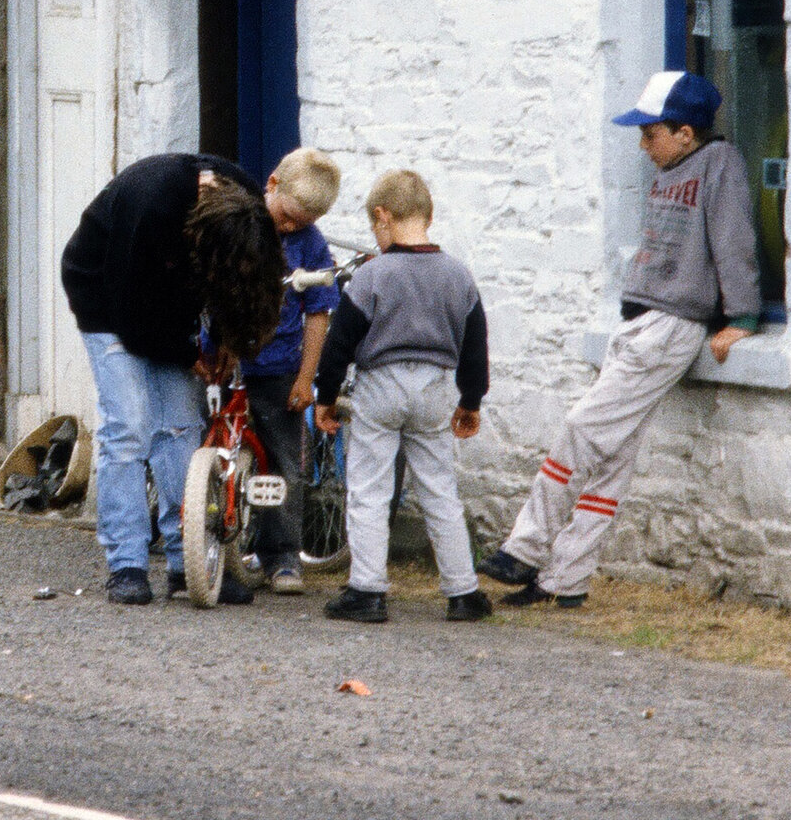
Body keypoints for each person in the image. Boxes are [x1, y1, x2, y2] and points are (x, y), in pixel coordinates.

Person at [478, 71, 761, 609]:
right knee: (612, 461)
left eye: (650, 133)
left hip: (669, 325)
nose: (643, 145)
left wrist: (744, 314)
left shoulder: (717, 164)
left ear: (685, 132)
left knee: (581, 428)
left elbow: (733, 237)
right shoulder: (670, 170)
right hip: (640, 323)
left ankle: (524, 546)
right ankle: (567, 580)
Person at [61, 152, 285, 606]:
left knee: (182, 426)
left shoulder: (243, 205)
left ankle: (189, 561)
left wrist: (224, 338)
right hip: (107, 296)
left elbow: (236, 280)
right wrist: (188, 357)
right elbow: (131, 314)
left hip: (167, 304)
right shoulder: (153, 203)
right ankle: (126, 563)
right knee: (129, 426)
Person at [312, 169, 493, 624]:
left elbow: (339, 343)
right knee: (439, 489)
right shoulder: (459, 276)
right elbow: (475, 346)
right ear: (428, 215)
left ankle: (367, 590)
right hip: (436, 388)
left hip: (382, 386)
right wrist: (470, 401)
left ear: (382, 217)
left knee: (371, 488)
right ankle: (463, 591)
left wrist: (326, 397)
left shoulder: (373, 276)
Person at [198, 148, 342, 595]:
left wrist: (307, 377)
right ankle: (194, 537)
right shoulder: (237, 221)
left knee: (284, 461)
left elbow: (319, 312)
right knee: (203, 449)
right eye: (285, 217)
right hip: (222, 360)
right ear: (271, 184)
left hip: (279, 368)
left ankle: (281, 555)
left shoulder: (310, 244)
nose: (288, 228)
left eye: (300, 222)